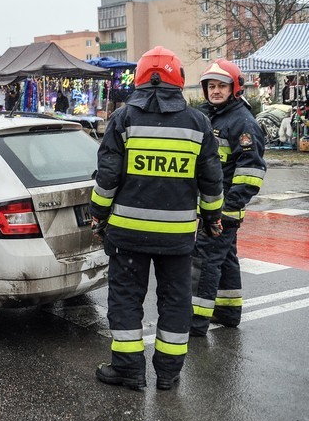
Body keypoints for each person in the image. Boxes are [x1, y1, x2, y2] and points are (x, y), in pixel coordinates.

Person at [89, 46, 224, 391]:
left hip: (128, 235)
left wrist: (98, 216)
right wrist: (212, 219)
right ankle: (168, 374)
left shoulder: (122, 120)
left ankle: (129, 370)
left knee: (125, 300)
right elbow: (211, 180)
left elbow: (107, 177)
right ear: (178, 80)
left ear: (139, 79)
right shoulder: (198, 124)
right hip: (177, 238)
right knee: (176, 302)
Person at [190, 59, 267, 337]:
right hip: (211, 207)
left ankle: (195, 321)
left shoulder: (242, 122)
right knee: (225, 258)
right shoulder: (209, 116)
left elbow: (251, 172)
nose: (216, 91)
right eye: (211, 86)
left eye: (222, 86)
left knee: (205, 260)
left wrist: (226, 209)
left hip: (222, 210)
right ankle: (228, 311)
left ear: (234, 88)